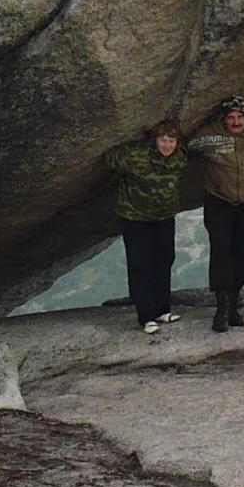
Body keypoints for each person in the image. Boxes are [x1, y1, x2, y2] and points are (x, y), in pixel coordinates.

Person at [183, 94, 244, 332]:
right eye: (231, 118)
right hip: (218, 202)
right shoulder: (207, 135)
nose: (236, 122)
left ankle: (234, 305)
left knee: (242, 253)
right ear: (223, 119)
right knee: (221, 252)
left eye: (240, 117)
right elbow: (183, 149)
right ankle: (222, 309)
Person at [102, 120, 188, 335]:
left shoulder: (180, 158)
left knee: (164, 260)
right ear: (154, 140)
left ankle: (162, 310)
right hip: (135, 218)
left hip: (164, 217)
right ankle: (146, 316)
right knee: (141, 265)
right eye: (163, 140)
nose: (167, 145)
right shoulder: (136, 155)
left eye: (171, 140)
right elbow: (109, 158)